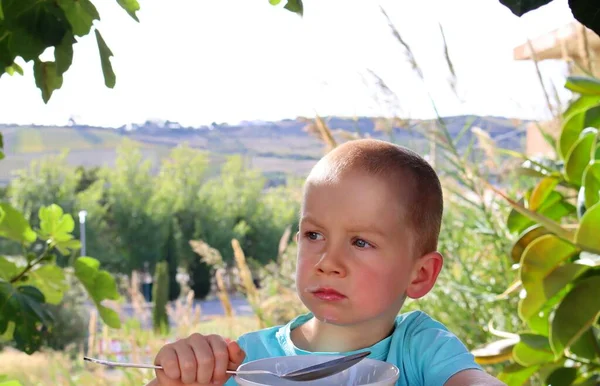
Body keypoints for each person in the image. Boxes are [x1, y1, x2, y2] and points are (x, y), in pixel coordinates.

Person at [147, 138, 505, 386]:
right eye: (314, 235)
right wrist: (174, 378)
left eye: (361, 242)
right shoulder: (244, 361)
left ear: (420, 274)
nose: (328, 262)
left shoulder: (423, 349)